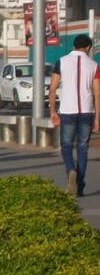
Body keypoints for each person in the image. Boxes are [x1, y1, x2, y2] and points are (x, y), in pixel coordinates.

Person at [49, 34, 100, 196]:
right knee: (83, 148)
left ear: (73, 46)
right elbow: (97, 94)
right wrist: (98, 117)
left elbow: (52, 88)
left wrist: (52, 111)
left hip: (68, 110)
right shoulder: (94, 65)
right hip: (87, 110)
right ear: (88, 48)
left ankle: (71, 169)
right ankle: (80, 183)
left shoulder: (62, 62)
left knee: (66, 144)